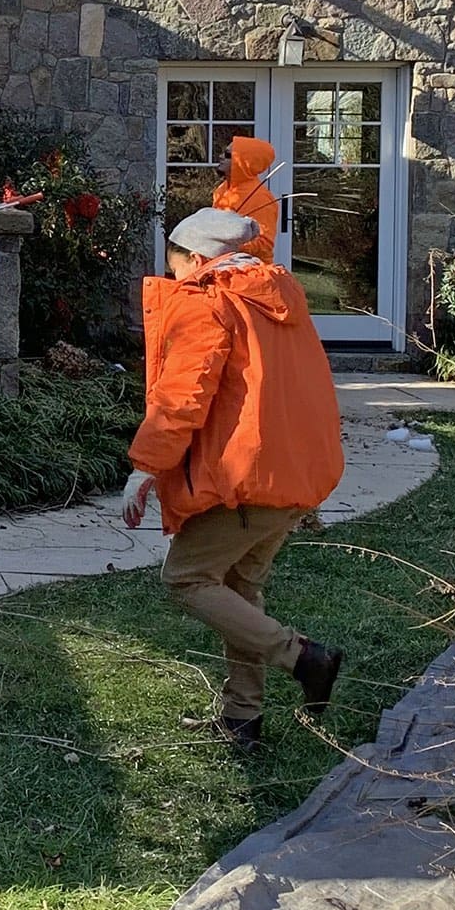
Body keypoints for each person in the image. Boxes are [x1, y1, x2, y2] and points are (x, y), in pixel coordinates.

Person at [121, 206, 345, 750]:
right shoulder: (279, 297)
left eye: (176, 269)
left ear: (197, 259)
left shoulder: (209, 302)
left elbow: (183, 396)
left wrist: (147, 465)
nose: (175, 280)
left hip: (247, 478)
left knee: (186, 578)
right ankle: (243, 721)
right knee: (242, 589)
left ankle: (304, 658)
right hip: (290, 476)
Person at [213, 136, 280, 262]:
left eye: (228, 155)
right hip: (222, 263)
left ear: (244, 162)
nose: (221, 156)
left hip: (250, 271)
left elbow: (265, 243)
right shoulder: (222, 190)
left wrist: (230, 247)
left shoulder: (261, 198)